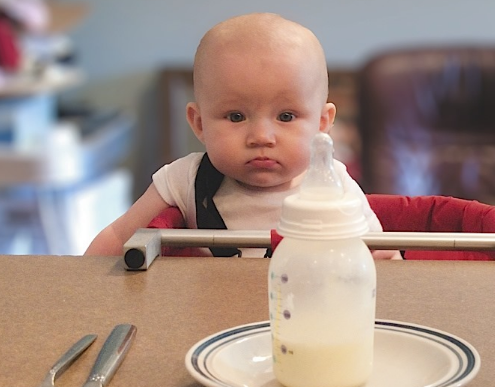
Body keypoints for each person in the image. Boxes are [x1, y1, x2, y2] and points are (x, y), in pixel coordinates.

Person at [85, 13, 397, 258]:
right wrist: (78, 285)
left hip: (303, 319)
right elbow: (117, 236)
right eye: (236, 116)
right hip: (209, 323)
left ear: (321, 123)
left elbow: (383, 256)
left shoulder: (333, 184)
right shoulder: (184, 180)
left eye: (286, 116)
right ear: (199, 123)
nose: (261, 136)